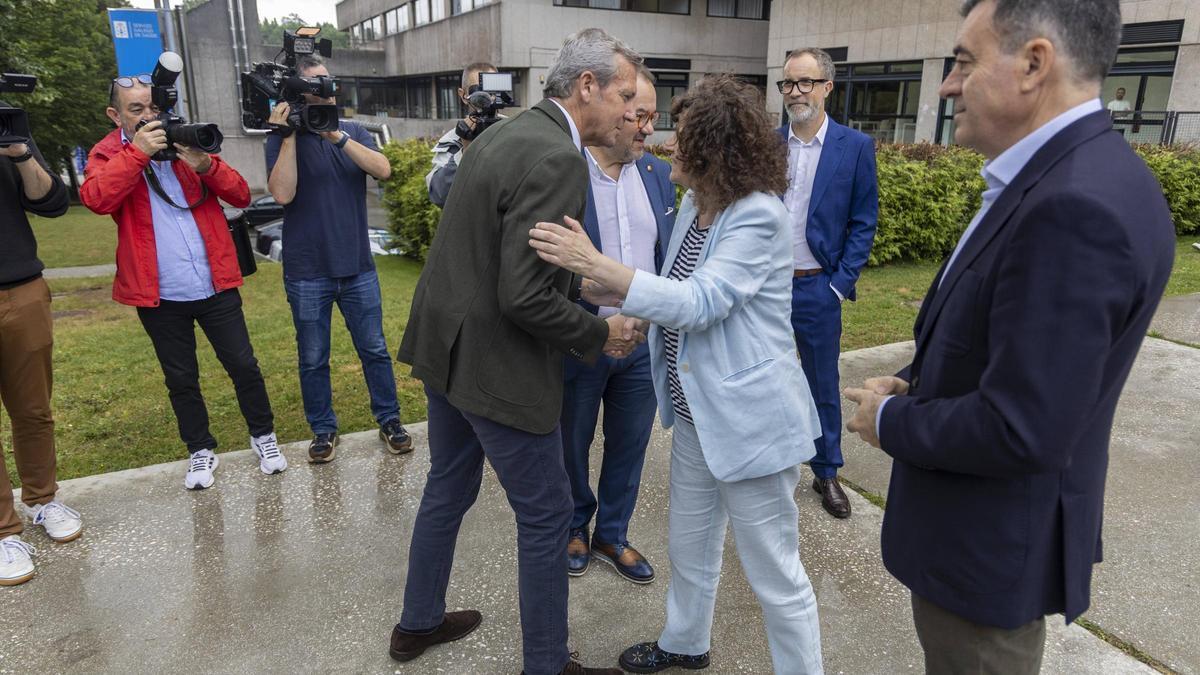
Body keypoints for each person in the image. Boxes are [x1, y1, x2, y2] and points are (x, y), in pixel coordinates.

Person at [842, 1, 1175, 672]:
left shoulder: (1072, 206)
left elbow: (1023, 426)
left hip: (984, 559)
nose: (946, 85)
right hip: (983, 545)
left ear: (1034, 63)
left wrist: (893, 418)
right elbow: (1014, 349)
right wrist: (916, 378)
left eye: (963, 60)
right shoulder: (1070, 178)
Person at [530, 73, 825, 675]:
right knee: (690, 548)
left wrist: (599, 265)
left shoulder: (758, 216)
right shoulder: (698, 205)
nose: (667, 145)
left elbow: (703, 302)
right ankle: (685, 644)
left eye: (683, 138)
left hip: (750, 424)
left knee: (774, 573)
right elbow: (675, 290)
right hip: (695, 414)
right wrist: (629, 314)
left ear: (715, 151)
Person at [390, 28, 643, 675]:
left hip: (447, 351)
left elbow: (505, 255)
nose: (629, 111)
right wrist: (599, 332)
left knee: (448, 483)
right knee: (548, 512)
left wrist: (583, 281)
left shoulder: (506, 132)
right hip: (491, 366)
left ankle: (417, 622)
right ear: (586, 85)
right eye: (624, 95)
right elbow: (524, 296)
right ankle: (547, 664)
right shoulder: (558, 156)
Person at [81, 75, 283, 490]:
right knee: (181, 378)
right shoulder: (108, 153)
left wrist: (204, 163)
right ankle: (199, 450)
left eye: (152, 108)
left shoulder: (185, 140)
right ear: (114, 115)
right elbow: (97, 199)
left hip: (215, 282)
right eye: (136, 110)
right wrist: (137, 154)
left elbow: (242, 194)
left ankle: (263, 436)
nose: (148, 116)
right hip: (159, 292)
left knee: (244, 366)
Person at [266, 54, 413, 463]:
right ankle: (323, 430)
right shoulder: (280, 139)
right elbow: (282, 194)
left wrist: (336, 137)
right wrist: (292, 135)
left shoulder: (352, 130)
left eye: (329, 80)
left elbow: (383, 170)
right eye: (315, 83)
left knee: (375, 350)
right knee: (313, 358)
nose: (326, 88)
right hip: (307, 271)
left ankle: (389, 420)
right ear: (298, 92)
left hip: (357, 268)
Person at [562, 66, 676, 584]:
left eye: (651, 115)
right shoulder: (566, 171)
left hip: (641, 344)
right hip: (581, 342)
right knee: (572, 442)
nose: (647, 127)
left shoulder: (656, 175)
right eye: (639, 113)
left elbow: (664, 259)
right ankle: (573, 526)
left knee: (629, 446)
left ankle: (613, 532)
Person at [776, 47, 878, 519]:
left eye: (805, 83)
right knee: (766, 380)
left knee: (820, 382)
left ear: (827, 87)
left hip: (819, 287)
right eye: (788, 84)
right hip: (767, 288)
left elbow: (863, 221)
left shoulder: (854, 147)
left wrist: (839, 284)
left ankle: (827, 470)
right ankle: (771, 463)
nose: (795, 93)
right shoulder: (769, 143)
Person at [0, 123, 83, 586]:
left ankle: (41, 500)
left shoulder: (6, 131)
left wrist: (18, 151)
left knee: (33, 410)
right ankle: (3, 531)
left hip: (23, 291)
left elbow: (51, 203)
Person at [425, 61, 498, 207]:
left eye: (493, 90)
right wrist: (465, 151)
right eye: (478, 90)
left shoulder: (514, 130)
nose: (487, 98)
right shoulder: (453, 140)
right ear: (463, 95)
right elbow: (439, 195)